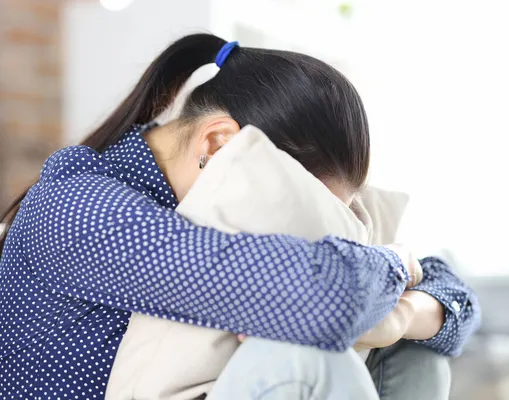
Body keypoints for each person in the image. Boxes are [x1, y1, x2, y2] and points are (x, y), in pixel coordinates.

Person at [0, 34, 480, 399]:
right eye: (312, 209)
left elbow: (456, 296)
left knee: (418, 356)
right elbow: (329, 297)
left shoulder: (199, 198)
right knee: (304, 356)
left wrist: (404, 317)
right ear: (218, 144)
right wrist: (394, 264)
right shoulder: (78, 212)